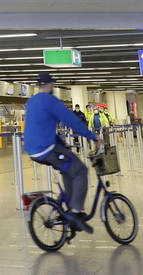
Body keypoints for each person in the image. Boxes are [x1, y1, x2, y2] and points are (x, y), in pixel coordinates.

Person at [24, 72, 99, 232]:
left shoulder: (31, 102)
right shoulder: (50, 100)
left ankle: (71, 205)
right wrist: (92, 136)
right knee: (80, 171)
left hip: (33, 150)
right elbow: (70, 120)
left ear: (38, 85)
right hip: (46, 149)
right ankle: (75, 211)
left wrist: (62, 144)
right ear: (50, 84)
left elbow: (42, 128)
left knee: (68, 169)